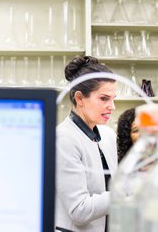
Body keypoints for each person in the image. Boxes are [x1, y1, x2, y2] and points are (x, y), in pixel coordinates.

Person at [55, 55, 118, 232]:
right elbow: (79, 210)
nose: (112, 106)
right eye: (104, 98)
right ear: (80, 98)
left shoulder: (107, 135)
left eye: (114, 98)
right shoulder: (63, 139)